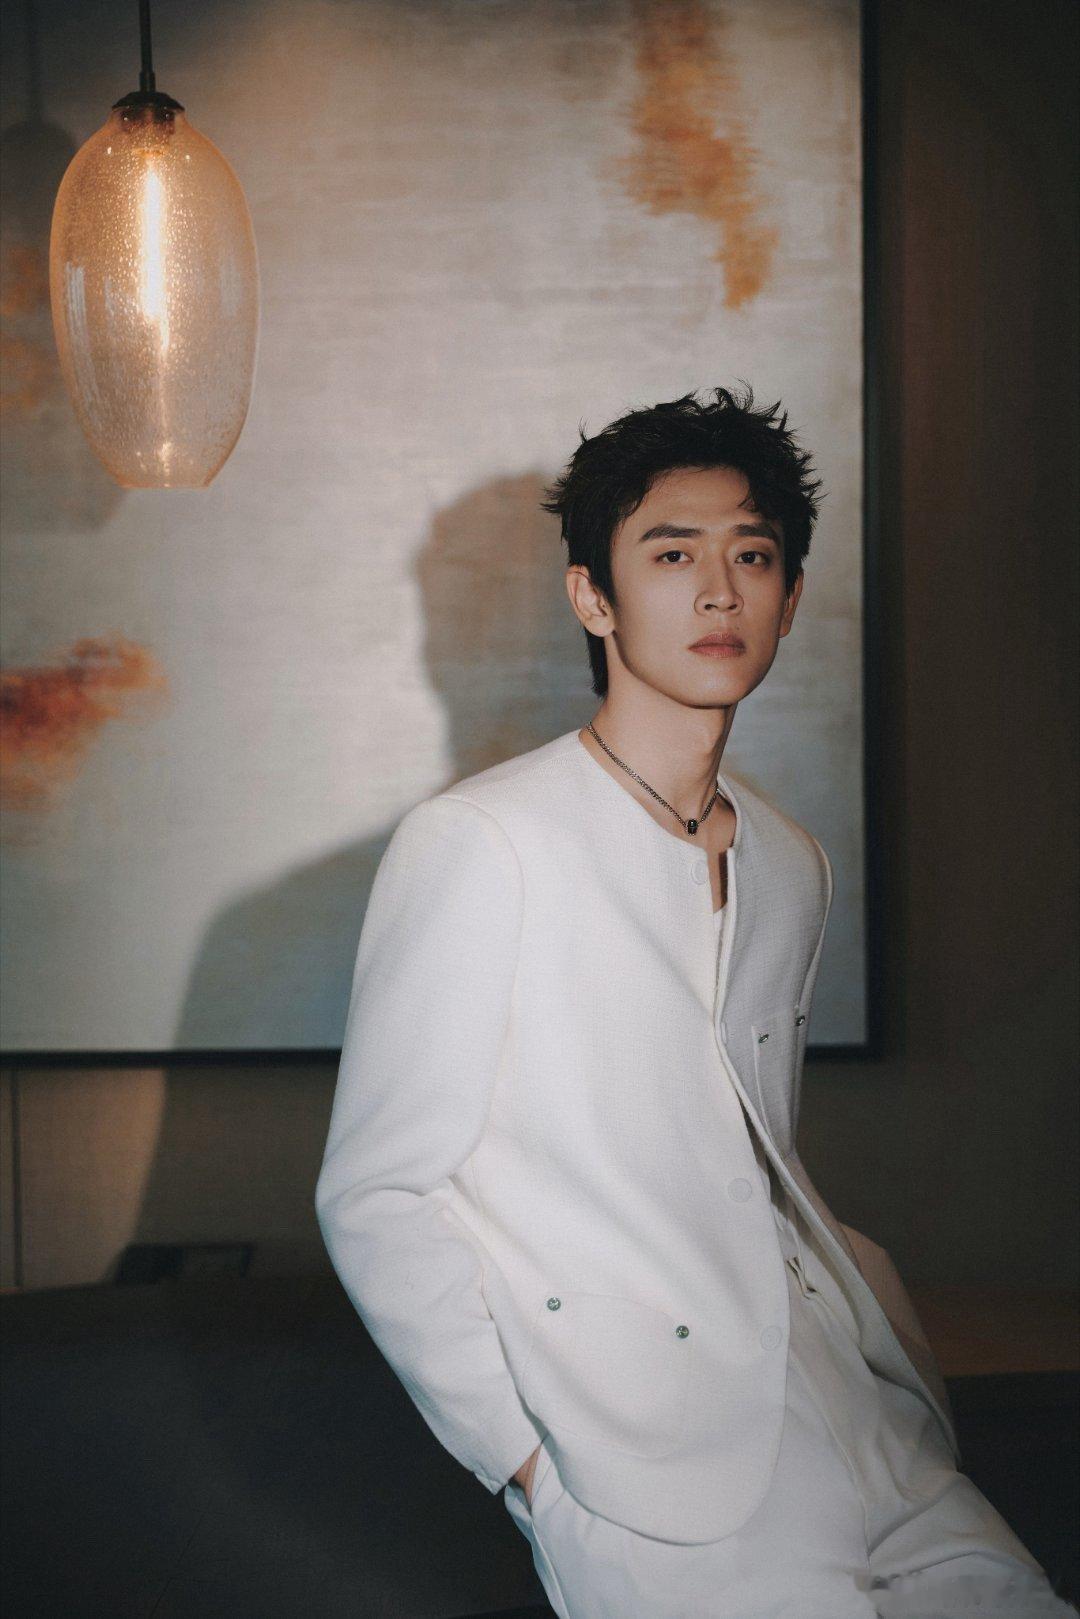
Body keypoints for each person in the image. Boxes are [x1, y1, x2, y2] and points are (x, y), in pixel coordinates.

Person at [315, 386, 1074, 1617]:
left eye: (752, 556)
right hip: (646, 1462)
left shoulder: (791, 859)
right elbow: (378, 1193)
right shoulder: (483, 842)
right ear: (593, 597)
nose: (719, 591)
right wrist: (526, 1462)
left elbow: (750, 1155)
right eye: (672, 555)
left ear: (791, 596)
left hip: (865, 1413)